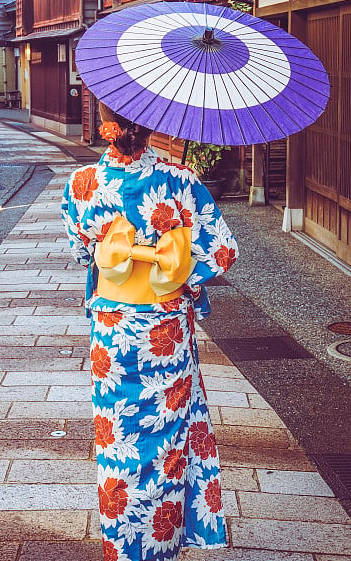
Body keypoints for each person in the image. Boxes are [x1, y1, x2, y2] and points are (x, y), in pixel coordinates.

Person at [61, 102, 238, 561]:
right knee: (166, 442)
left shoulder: (81, 185)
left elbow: (85, 256)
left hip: (112, 332)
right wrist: (177, 275)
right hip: (167, 330)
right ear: (151, 127)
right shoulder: (182, 181)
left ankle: (122, 548)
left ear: (105, 127)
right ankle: (165, 542)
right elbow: (223, 253)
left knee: (117, 443)